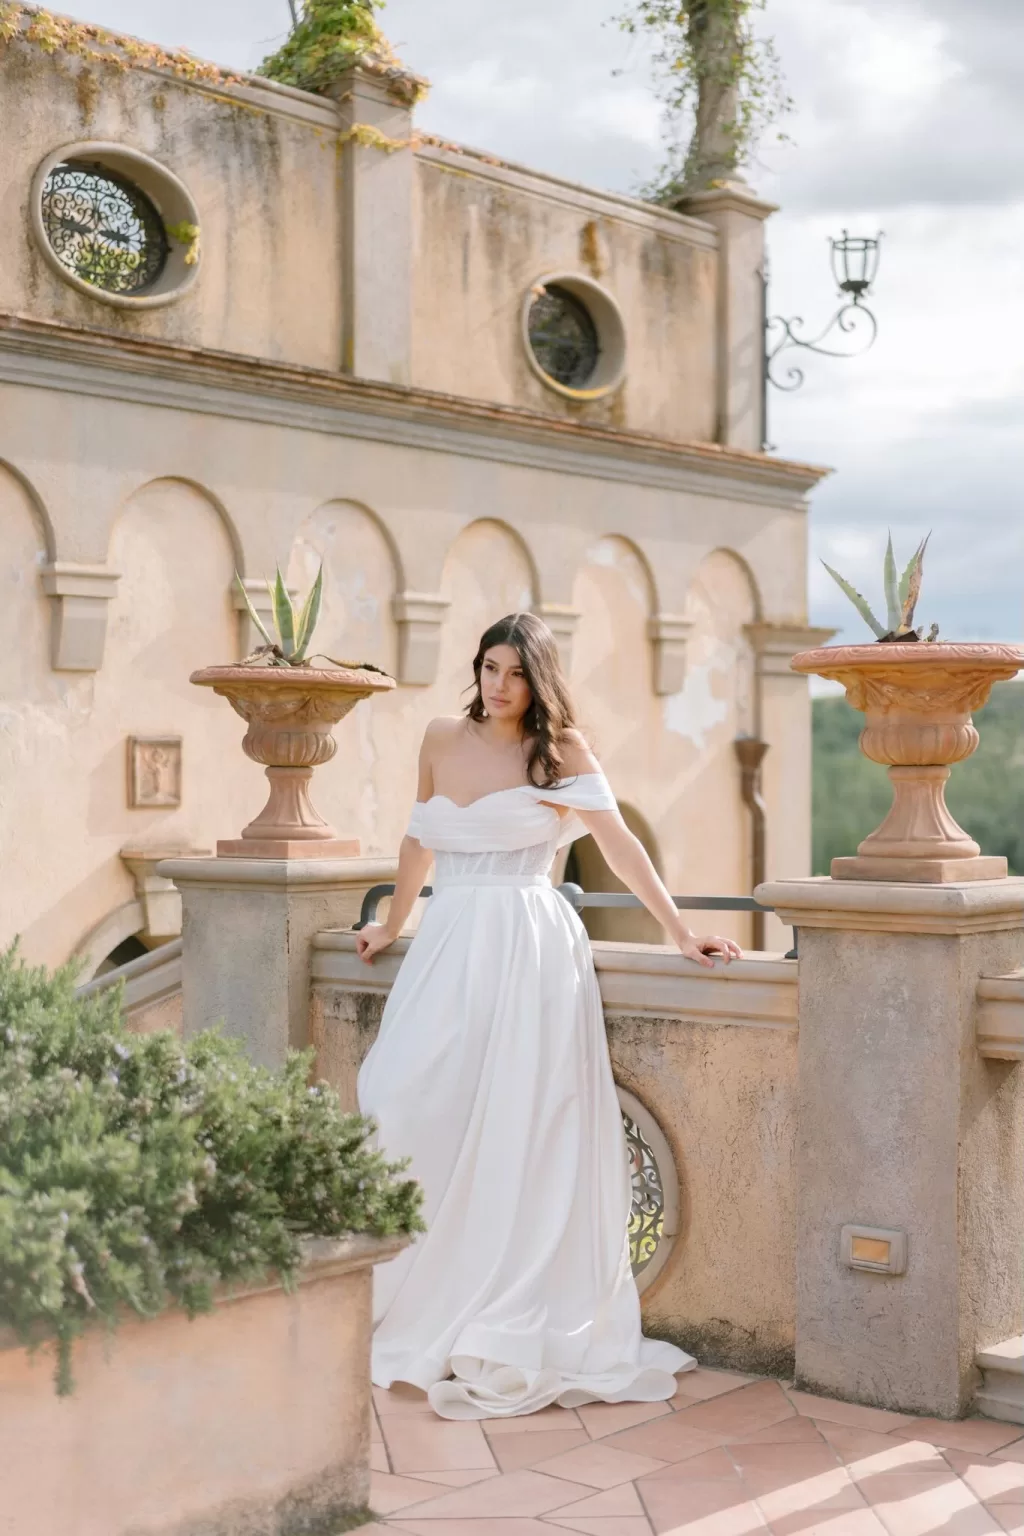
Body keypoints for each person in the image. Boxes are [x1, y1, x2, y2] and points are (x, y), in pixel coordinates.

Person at [356, 612, 741, 1421]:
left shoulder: (562, 752)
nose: (498, 686)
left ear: (540, 680)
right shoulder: (438, 736)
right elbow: (419, 839)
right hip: (446, 943)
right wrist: (392, 924)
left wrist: (679, 932)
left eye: (515, 673)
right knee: (398, 1096)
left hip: (528, 949)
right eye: (489, 668)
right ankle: (417, 1286)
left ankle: (496, 1301)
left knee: (519, 1125)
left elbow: (622, 843)